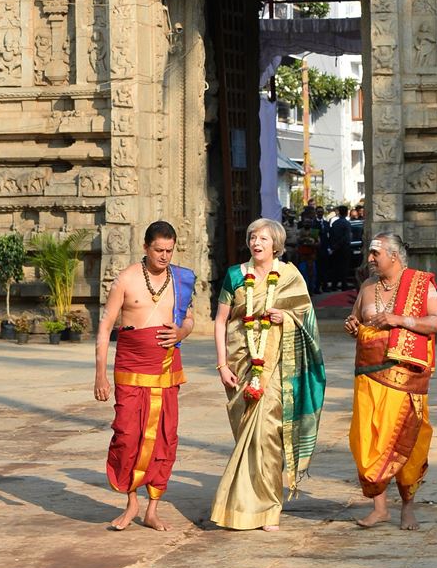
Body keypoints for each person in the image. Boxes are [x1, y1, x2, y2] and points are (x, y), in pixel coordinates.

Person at [211, 218, 326, 531]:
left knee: (268, 434)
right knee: (246, 436)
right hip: (239, 364)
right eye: (252, 237)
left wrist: (285, 316)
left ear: (276, 243)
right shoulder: (236, 275)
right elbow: (221, 321)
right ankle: (247, 506)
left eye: (262, 238)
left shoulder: (289, 276)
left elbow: (308, 319)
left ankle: (268, 508)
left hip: (275, 367)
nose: (256, 243)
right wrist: (222, 365)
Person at [94, 220, 195, 532]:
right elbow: (105, 326)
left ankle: (152, 507)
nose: (164, 256)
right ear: (145, 248)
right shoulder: (126, 279)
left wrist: (181, 331)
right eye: (158, 250)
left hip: (166, 367)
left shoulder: (181, 279)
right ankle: (131, 501)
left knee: (165, 436)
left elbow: (190, 319)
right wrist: (100, 373)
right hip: (131, 366)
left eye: (169, 250)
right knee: (127, 435)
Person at [344, 232, 437, 530]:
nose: (370, 258)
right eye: (371, 253)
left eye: (376, 253)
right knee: (367, 441)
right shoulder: (367, 286)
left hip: (404, 378)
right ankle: (379, 509)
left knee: (407, 443)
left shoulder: (419, 284)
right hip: (368, 375)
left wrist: (399, 320)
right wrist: (353, 325)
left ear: (394, 256)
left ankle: (407, 508)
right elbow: (357, 320)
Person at [328, 205, 352, 292]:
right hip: (344, 248)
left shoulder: (335, 223)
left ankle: (334, 285)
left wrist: (333, 246)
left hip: (335, 248)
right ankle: (343, 285)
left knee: (336, 267)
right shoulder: (346, 223)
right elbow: (347, 237)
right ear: (346, 213)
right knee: (344, 267)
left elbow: (331, 236)